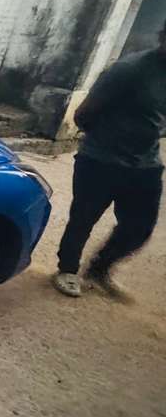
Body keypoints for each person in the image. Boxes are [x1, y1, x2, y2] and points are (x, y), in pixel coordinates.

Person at [53, 17, 166, 302]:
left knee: (139, 227)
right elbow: (84, 114)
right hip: (101, 159)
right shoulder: (129, 70)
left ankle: (99, 269)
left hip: (146, 164)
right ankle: (67, 269)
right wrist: (108, 140)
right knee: (83, 219)